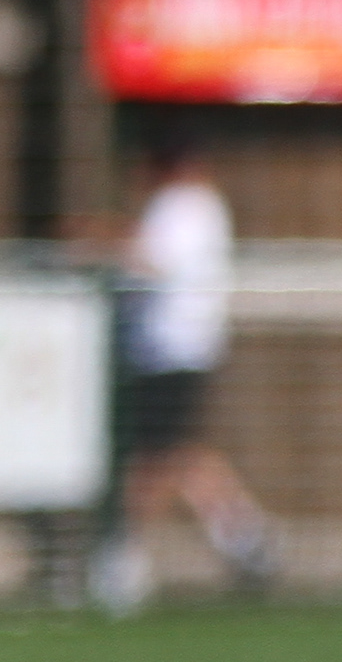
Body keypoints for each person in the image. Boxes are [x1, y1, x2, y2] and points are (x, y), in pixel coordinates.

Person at [93, 119, 278, 611]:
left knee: (153, 458)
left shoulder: (183, 206)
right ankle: (245, 536)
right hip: (178, 346)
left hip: (171, 347)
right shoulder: (195, 206)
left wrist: (102, 241)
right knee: (177, 451)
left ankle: (124, 559)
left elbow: (153, 262)